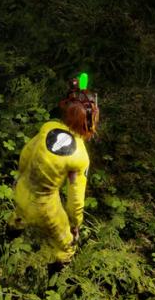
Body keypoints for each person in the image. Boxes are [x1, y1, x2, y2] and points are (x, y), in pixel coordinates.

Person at [14, 82, 100, 263]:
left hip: (21, 190)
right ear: (90, 120)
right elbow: (75, 201)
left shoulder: (48, 127)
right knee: (67, 246)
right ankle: (52, 278)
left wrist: (19, 177)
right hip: (45, 209)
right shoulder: (80, 157)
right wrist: (75, 225)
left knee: (18, 218)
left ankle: (7, 241)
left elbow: (26, 153)